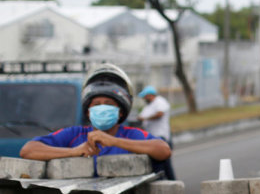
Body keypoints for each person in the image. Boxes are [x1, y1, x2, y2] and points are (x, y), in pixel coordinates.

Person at [20, 64, 171, 172]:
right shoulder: (74, 135)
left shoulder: (131, 135)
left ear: (120, 112)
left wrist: (114, 141)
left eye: (108, 104)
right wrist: (74, 152)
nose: (102, 107)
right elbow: (28, 151)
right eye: (96, 104)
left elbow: (163, 150)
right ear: (88, 112)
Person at [136, 86, 176, 180]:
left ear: (150, 95)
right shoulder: (148, 106)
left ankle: (168, 183)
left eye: (145, 96)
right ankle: (171, 182)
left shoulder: (159, 101)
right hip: (151, 138)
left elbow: (159, 114)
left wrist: (145, 118)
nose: (144, 99)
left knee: (160, 164)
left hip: (161, 137)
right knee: (163, 165)